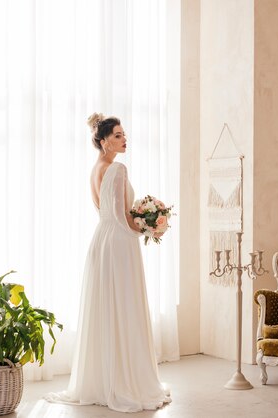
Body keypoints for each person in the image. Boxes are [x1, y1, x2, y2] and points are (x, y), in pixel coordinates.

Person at [45, 113, 171, 412]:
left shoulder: (95, 169)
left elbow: (105, 211)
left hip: (101, 241)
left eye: (123, 133)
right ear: (103, 142)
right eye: (116, 135)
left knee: (107, 307)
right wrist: (148, 227)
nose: (123, 138)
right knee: (123, 306)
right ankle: (125, 382)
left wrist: (141, 221)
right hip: (118, 243)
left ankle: (103, 380)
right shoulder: (116, 168)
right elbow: (121, 216)